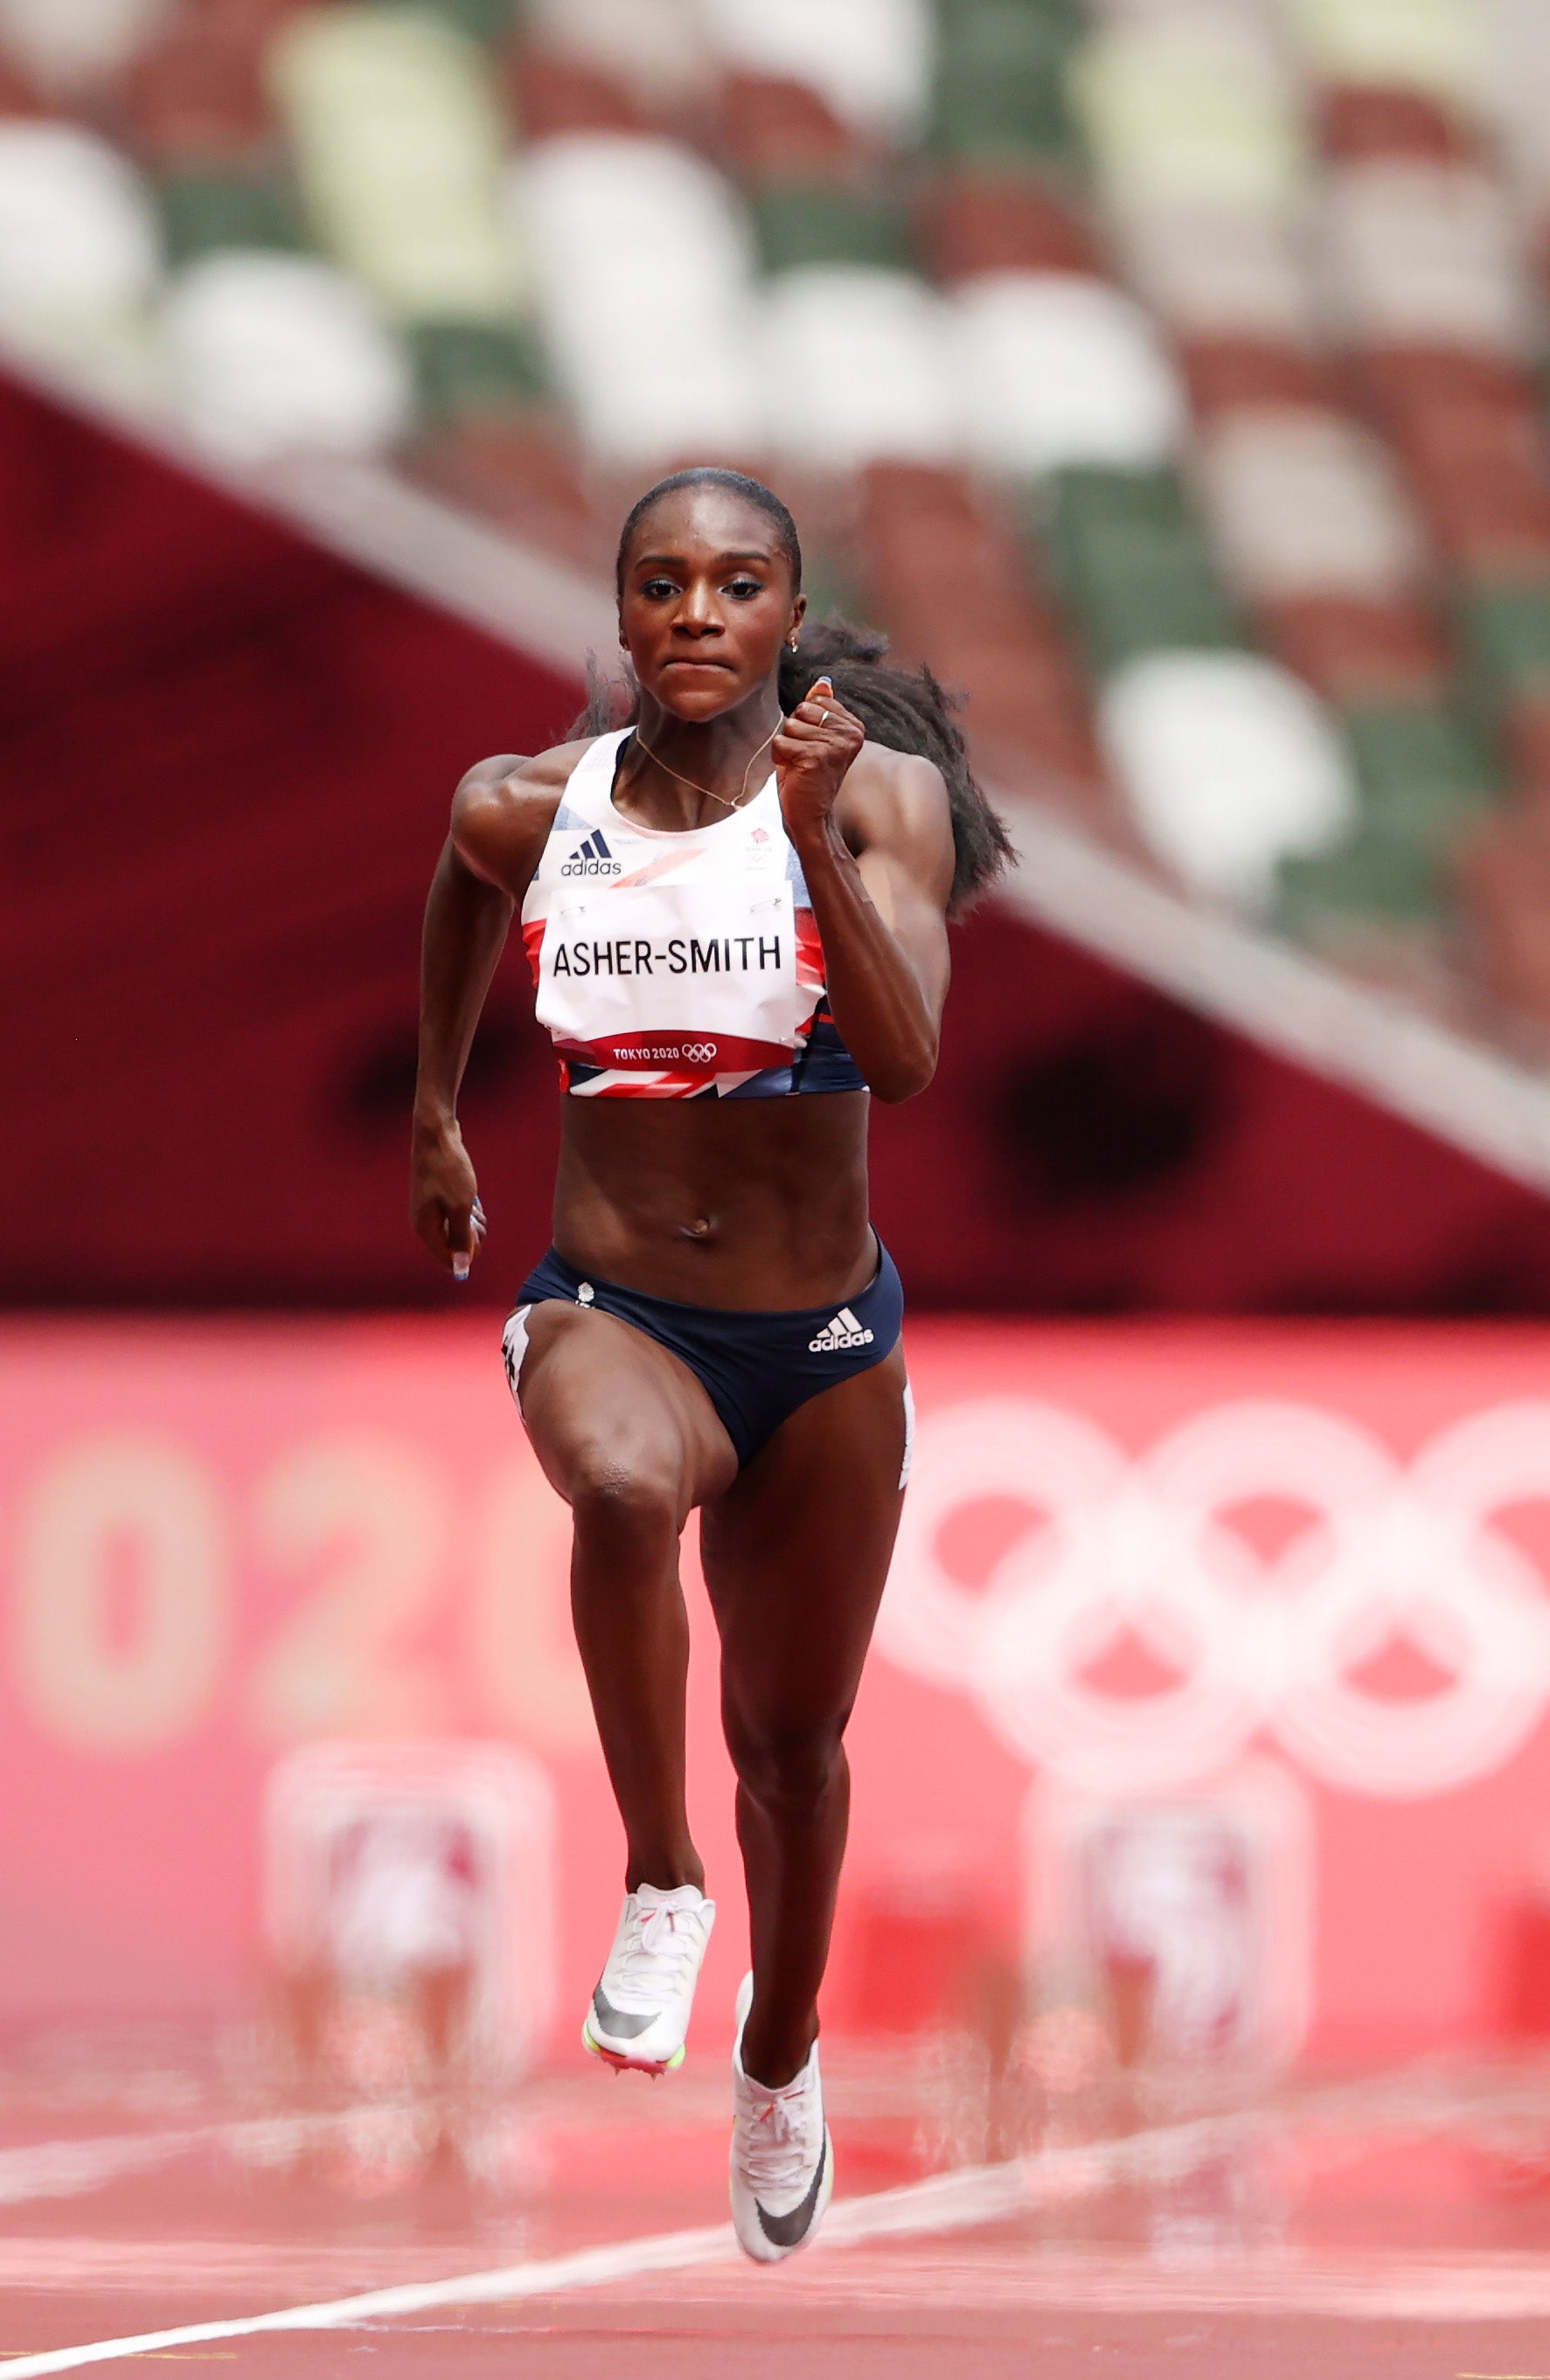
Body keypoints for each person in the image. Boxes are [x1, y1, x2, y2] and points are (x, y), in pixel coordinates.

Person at [409, 468, 1004, 2259]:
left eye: (732, 585)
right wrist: (438, 1112)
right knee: (613, 1483)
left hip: (819, 1343)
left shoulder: (876, 801)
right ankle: (659, 1874)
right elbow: (456, 884)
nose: (691, 613)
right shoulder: (532, 808)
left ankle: (776, 2048)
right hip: (614, 1308)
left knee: (796, 1746)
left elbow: (899, 1063)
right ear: (616, 619)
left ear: (782, 614)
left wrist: (810, 839)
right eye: (657, 584)